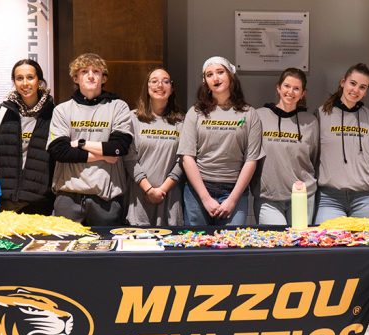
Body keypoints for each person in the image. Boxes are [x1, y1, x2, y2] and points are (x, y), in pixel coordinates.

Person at [47, 53, 133, 226]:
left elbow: (119, 147)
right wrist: (103, 155)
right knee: (65, 251)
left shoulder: (118, 107)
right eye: (84, 71)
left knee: (106, 250)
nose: (91, 75)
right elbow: (59, 151)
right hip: (68, 196)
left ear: (104, 78)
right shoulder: (62, 110)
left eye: (96, 71)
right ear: (75, 78)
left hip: (106, 199)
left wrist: (80, 143)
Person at [179, 56, 263, 226]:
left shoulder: (249, 114)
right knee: (197, 246)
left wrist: (232, 200)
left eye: (220, 72)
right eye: (209, 75)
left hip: (234, 191)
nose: (215, 78)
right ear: (205, 82)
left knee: (231, 248)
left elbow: (251, 160)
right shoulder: (195, 113)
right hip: (198, 191)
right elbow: (187, 157)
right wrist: (205, 198)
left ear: (231, 76)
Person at [0, 59, 55, 215]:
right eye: (19, 78)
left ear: (40, 81)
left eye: (30, 77)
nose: (25, 83)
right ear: (14, 82)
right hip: (4, 201)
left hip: (39, 203)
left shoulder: (54, 113)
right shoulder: (2, 112)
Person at [314, 63, 369, 224]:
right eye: (353, 83)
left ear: (365, 92)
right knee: (327, 245)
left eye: (362, 87)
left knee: (363, 247)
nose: (356, 90)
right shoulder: (322, 114)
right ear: (343, 82)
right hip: (330, 197)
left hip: (365, 198)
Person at [255, 68, 318, 226]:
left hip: (302, 196)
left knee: (300, 247)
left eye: (296, 88)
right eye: (287, 86)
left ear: (303, 93)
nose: (291, 92)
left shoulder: (310, 121)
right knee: (277, 247)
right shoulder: (259, 116)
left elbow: (314, 157)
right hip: (268, 197)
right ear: (278, 88)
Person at [124, 67, 185, 226]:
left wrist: (162, 190)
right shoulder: (133, 118)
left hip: (169, 196)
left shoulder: (181, 121)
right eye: (154, 81)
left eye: (165, 82)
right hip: (139, 195)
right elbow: (129, 158)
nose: (160, 85)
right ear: (147, 87)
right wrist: (149, 190)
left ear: (171, 89)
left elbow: (183, 160)